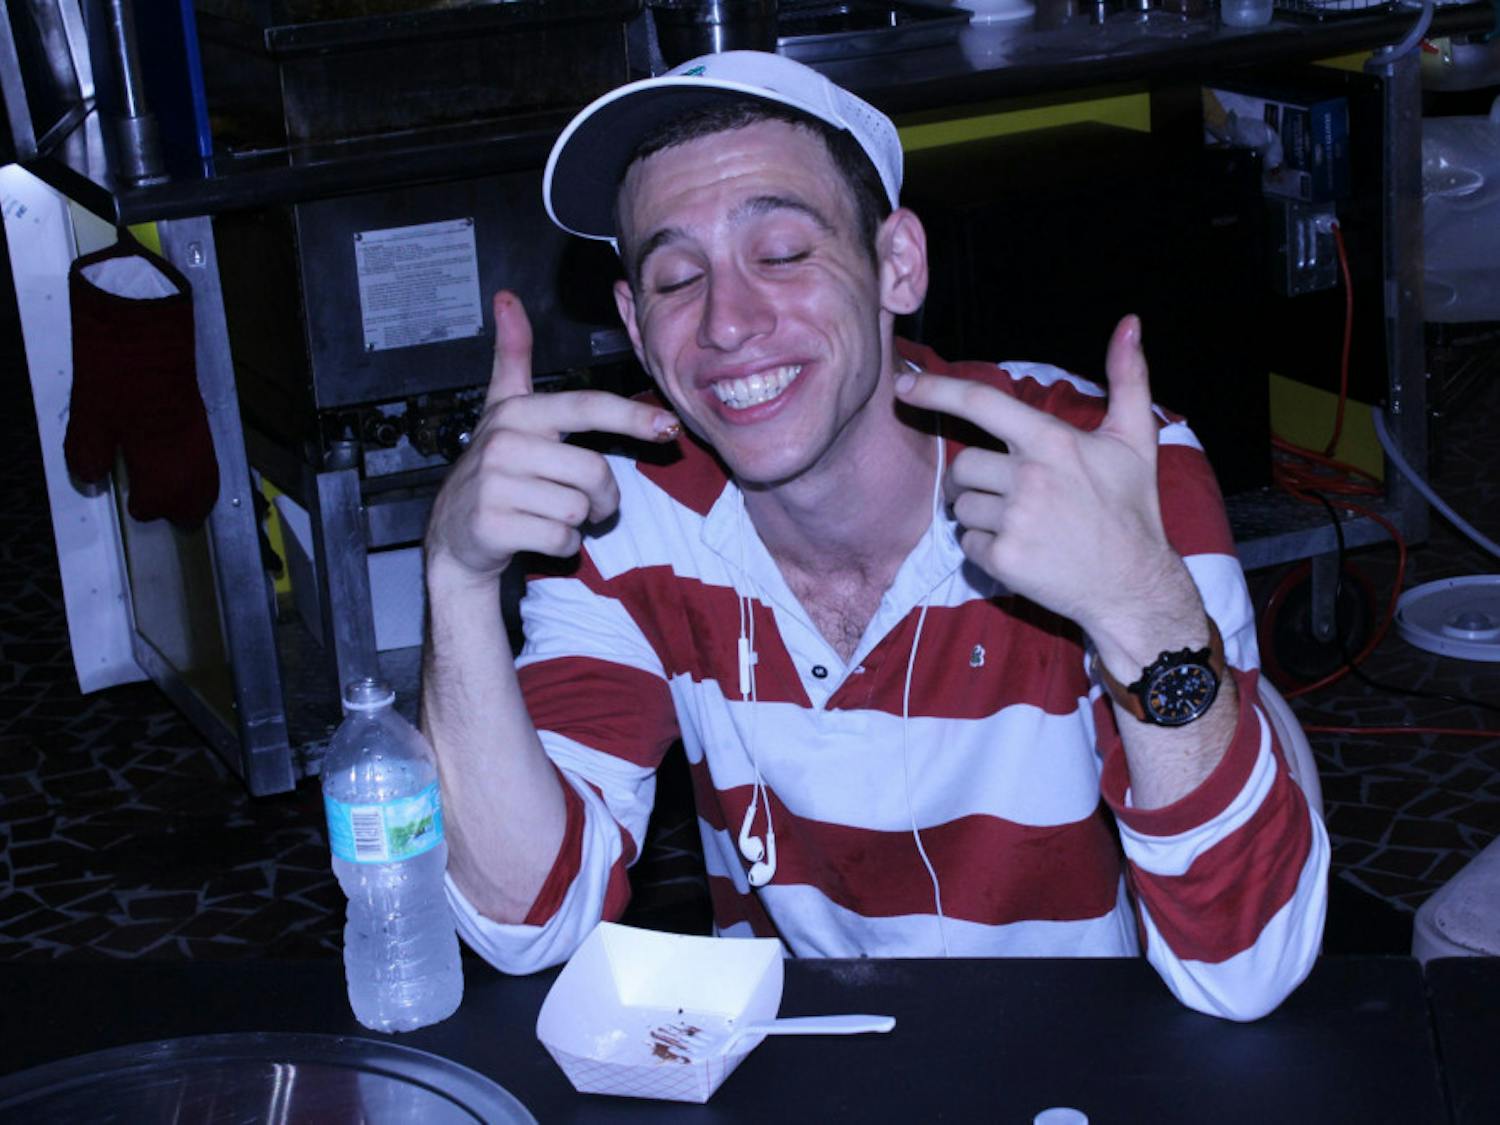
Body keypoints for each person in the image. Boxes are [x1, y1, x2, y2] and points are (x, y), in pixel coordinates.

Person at [421, 51, 1328, 1021]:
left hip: (1088, 1062)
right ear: (636, 328)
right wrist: (457, 576)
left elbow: (1250, 970)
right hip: (803, 1065)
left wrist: (1140, 606)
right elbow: (526, 920)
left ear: (896, 265)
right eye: (679, 278)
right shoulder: (627, 510)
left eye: (781, 254)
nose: (728, 323)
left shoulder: (1102, 473)